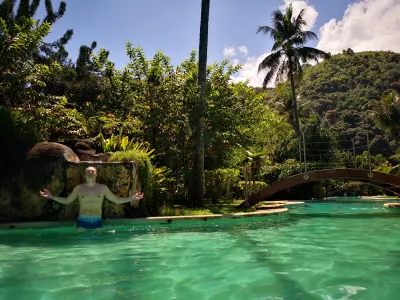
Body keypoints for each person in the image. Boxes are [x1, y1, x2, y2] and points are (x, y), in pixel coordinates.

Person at [40, 166, 144, 231]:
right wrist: (52, 196)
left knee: (97, 248)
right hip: (82, 221)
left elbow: (116, 200)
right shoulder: (79, 188)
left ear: (96, 174)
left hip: (97, 221)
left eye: (92, 171)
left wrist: (132, 198)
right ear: (84, 175)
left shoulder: (103, 188)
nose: (90, 173)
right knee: (80, 246)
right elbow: (67, 201)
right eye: (88, 172)